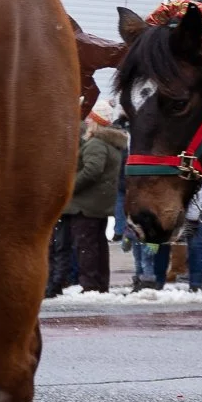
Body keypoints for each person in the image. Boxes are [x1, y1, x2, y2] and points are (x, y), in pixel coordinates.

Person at [50, 108, 125, 296]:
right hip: (98, 204)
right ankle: (100, 283)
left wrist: (70, 187)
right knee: (98, 244)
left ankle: (90, 284)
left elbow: (92, 170)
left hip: (85, 205)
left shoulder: (96, 144)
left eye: (90, 120)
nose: (87, 124)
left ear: (96, 122)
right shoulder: (110, 144)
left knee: (86, 246)